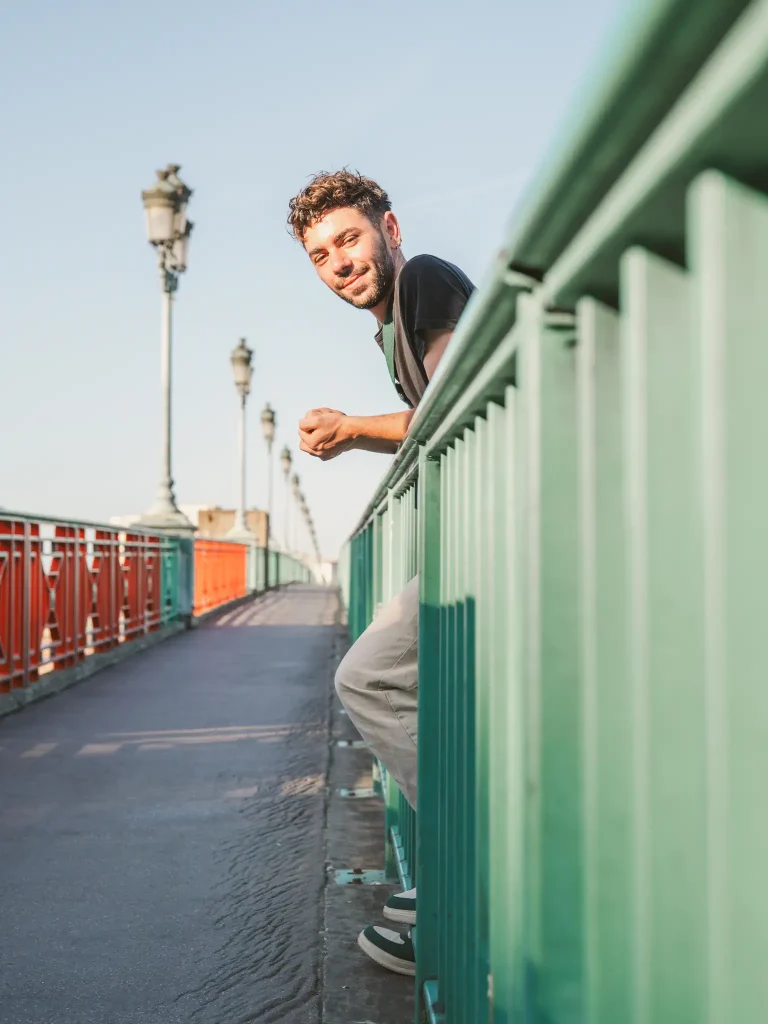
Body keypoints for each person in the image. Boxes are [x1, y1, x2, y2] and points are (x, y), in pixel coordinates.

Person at [287, 170, 474, 976]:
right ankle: (450, 867)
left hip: (488, 525)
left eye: (350, 239)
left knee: (366, 675)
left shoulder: (425, 280)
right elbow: (430, 410)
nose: (340, 263)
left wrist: (356, 426)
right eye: (322, 255)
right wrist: (356, 433)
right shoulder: (392, 324)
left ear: (388, 228)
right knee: (376, 676)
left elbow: (452, 397)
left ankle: (462, 868)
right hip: (472, 522)